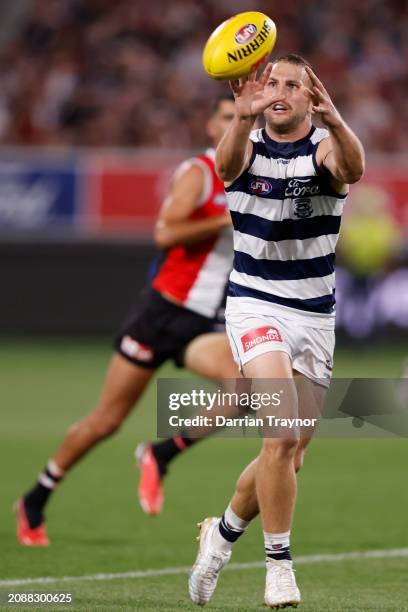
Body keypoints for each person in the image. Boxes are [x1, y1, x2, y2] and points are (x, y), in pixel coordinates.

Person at [16, 94, 240, 546]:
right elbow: (165, 232)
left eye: (245, 118)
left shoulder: (255, 180)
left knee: (250, 388)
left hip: (207, 321)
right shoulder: (199, 173)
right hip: (161, 313)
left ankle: (160, 453)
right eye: (229, 117)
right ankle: (37, 496)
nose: (239, 124)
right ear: (213, 128)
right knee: (107, 420)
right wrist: (222, 221)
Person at [188, 54, 364, 608]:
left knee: (290, 452)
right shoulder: (245, 147)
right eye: (273, 83)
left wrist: (337, 122)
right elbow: (225, 165)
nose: (281, 91)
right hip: (255, 304)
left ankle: (220, 536)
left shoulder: (324, 149)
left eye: (295, 85)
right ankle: (279, 566)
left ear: (313, 97)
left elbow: (352, 170)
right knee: (281, 434)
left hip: (314, 313)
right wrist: (241, 116)